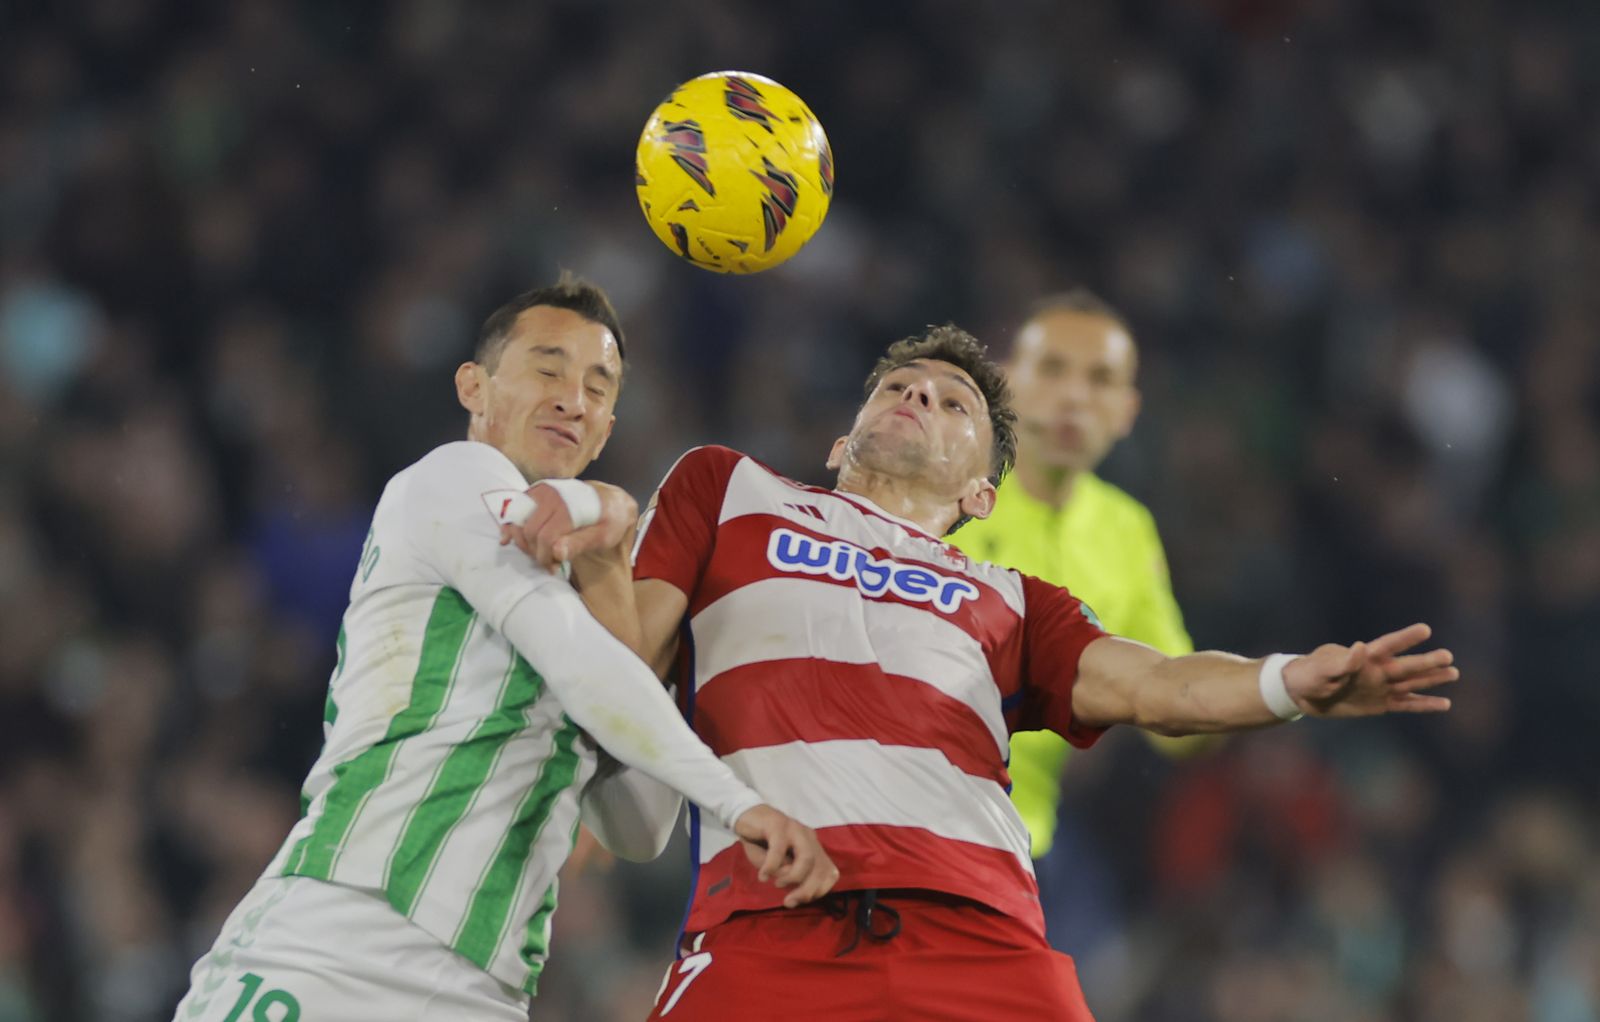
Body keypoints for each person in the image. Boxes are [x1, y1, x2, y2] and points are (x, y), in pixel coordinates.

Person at [512, 323, 1459, 1020]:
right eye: (898, 386)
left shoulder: (1014, 600)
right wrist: (601, 546)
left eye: (953, 402)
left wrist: (1288, 684)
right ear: (841, 441)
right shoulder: (727, 487)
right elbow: (625, 665)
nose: (919, 397)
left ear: (982, 494)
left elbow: (1158, 687)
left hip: (976, 937)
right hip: (768, 924)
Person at [171, 276, 837, 1022]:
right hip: (340, 939)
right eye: (548, 369)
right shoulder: (452, 478)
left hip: (484, 984)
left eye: (596, 388)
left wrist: (608, 553)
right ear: (474, 387)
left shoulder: (578, 589)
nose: (572, 399)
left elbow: (639, 827)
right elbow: (582, 667)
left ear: (606, 430)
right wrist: (739, 804)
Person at [949, 289, 1202, 950]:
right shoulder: (941, 488)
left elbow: (1178, 709)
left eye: (1100, 380)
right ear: (1007, 382)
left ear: (1126, 412)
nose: (1074, 398)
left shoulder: (1126, 530)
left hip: (1022, 850)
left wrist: (1286, 691)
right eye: (1053, 369)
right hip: (895, 823)